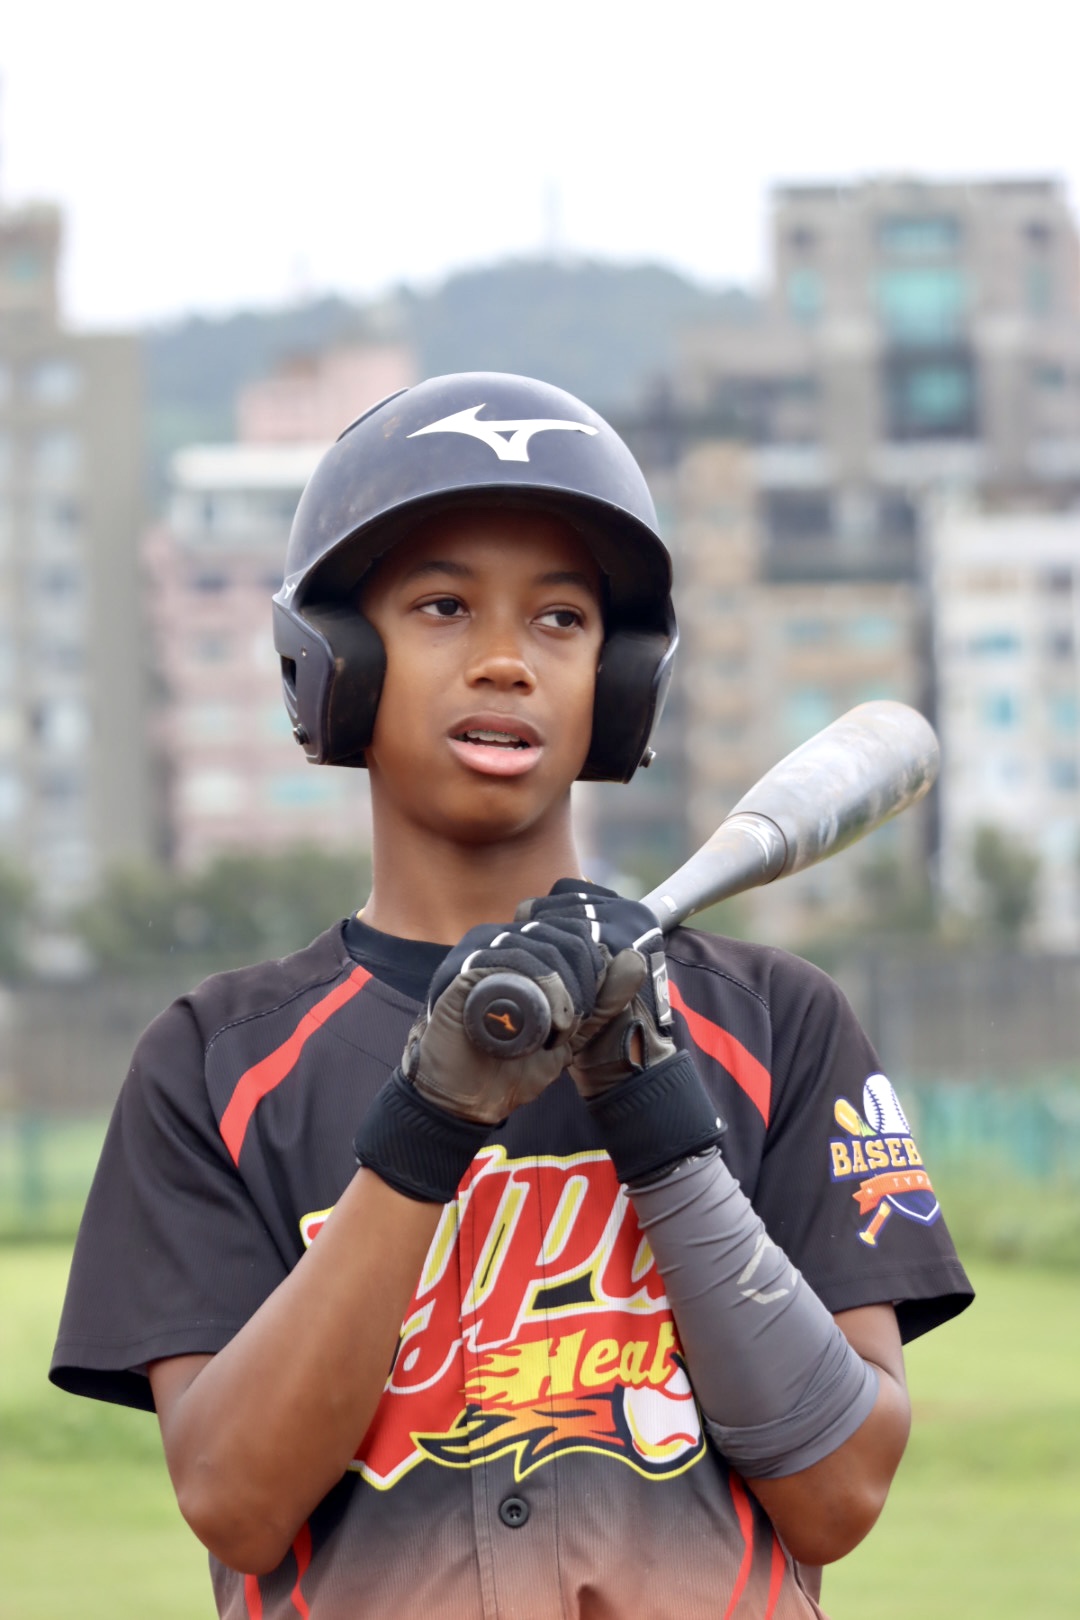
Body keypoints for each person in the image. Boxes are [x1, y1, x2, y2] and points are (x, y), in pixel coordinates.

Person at [51, 372, 973, 1619]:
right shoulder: (213, 1063)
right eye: (442, 607)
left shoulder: (777, 1025)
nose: (505, 660)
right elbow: (237, 1500)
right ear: (338, 664)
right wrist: (427, 1122)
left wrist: (656, 1108)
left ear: (621, 680)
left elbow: (839, 1493)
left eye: (560, 619)